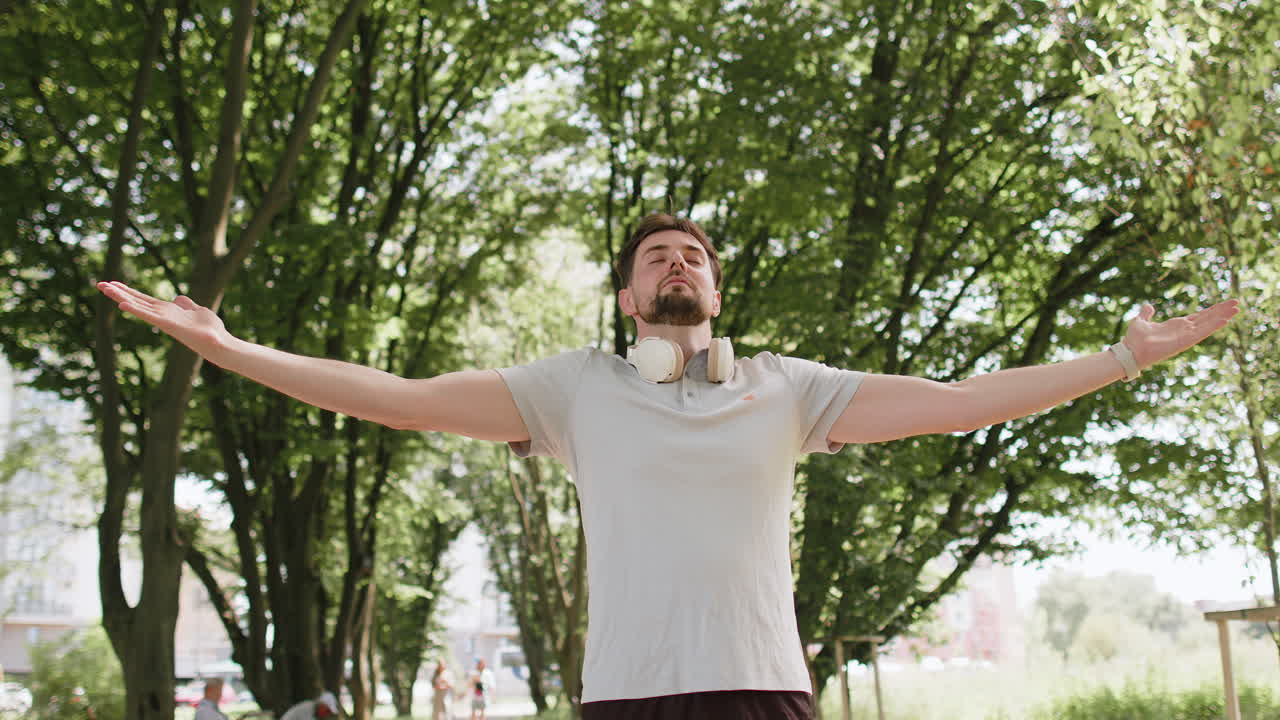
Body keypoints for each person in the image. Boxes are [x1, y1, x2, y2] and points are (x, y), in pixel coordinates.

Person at [97, 213, 1238, 719]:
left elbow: (950, 407)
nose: (676, 263)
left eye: (693, 253)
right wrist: (230, 348)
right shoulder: (570, 392)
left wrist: (1116, 360)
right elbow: (395, 402)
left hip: (763, 693)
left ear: (716, 291)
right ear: (628, 297)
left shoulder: (788, 388)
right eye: (655, 256)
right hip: (626, 698)